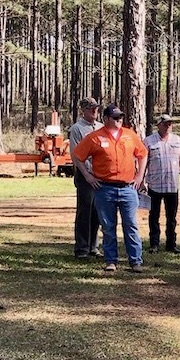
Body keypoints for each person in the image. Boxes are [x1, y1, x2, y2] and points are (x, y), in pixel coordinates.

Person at [71, 105, 148, 273]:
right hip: (105, 189)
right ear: (105, 119)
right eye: (115, 117)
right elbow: (77, 156)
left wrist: (140, 176)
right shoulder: (94, 137)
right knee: (108, 226)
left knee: (131, 225)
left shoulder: (129, 135)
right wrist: (88, 176)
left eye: (120, 117)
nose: (119, 120)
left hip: (128, 188)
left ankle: (135, 261)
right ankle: (111, 261)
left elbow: (143, 154)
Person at [143, 114, 180, 254]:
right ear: (159, 125)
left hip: (172, 186)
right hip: (154, 186)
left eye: (170, 124)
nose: (169, 126)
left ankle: (171, 244)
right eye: (165, 124)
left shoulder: (177, 140)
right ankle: (154, 244)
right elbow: (143, 163)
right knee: (154, 216)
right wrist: (141, 181)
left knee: (171, 217)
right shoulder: (149, 141)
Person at [69, 97, 101, 258]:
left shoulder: (102, 127)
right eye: (90, 108)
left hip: (101, 175)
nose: (94, 111)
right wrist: (87, 174)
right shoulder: (77, 129)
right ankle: (81, 248)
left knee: (97, 211)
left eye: (95, 108)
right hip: (85, 175)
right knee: (85, 211)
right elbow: (76, 155)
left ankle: (93, 246)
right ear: (83, 110)